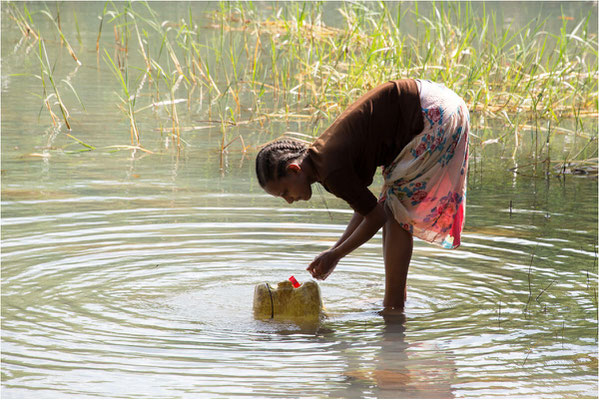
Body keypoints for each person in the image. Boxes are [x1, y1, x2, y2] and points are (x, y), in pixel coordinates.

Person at [255, 79, 469, 312]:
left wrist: (336, 255)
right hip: (437, 102)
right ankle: (396, 300)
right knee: (393, 202)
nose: (288, 200)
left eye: (285, 192)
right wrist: (333, 251)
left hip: (433, 116)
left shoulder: (330, 170)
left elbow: (377, 218)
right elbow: (367, 209)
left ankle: (394, 307)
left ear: (294, 169)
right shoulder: (321, 157)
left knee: (397, 211)